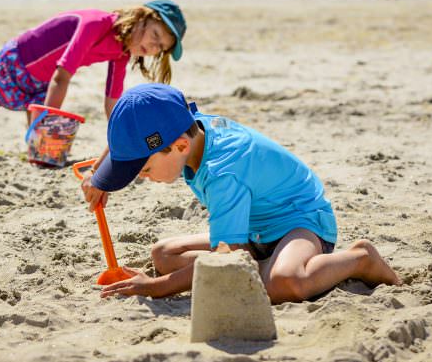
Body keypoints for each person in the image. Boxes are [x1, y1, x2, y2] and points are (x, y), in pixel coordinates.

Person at [80, 84, 401, 304]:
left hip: (299, 221)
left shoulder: (224, 171)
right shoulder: (188, 126)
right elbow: (135, 128)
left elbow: (226, 253)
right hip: (252, 226)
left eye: (144, 170)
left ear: (179, 147)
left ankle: (360, 259)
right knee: (164, 256)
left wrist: (155, 288)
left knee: (284, 283)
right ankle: (255, 262)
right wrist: (100, 176)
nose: (143, 178)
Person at [0, 1, 188, 155]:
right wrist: (45, 127)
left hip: (42, 88)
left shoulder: (121, 53)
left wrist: (123, 142)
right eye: (155, 36)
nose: (154, 48)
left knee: (45, 157)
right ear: (142, 17)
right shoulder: (96, 23)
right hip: (13, 65)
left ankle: (39, 143)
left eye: (160, 48)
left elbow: (112, 103)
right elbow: (62, 77)